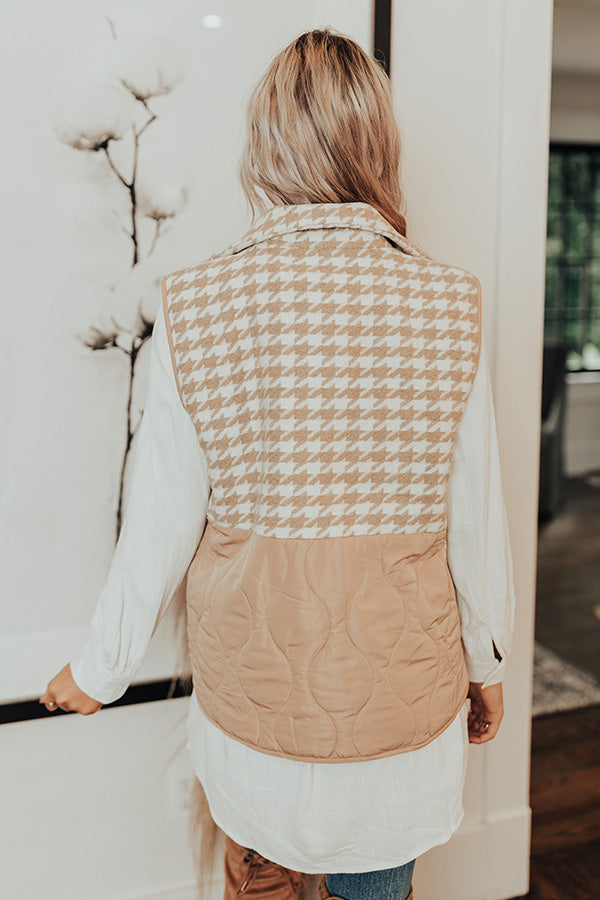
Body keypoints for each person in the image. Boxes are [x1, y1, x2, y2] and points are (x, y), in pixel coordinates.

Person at [40, 27, 516, 900]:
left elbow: (159, 523)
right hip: (398, 725)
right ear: (376, 143)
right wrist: (486, 665)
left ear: (264, 147)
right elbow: (475, 518)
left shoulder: (199, 304)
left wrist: (99, 667)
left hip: (252, 718)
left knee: (257, 880)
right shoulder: (448, 302)